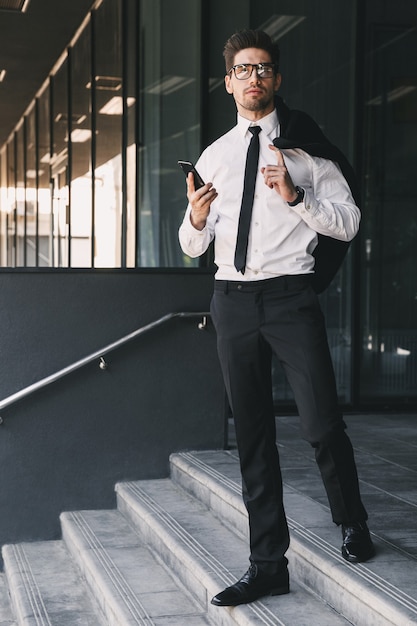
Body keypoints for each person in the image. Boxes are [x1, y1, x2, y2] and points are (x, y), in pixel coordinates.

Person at [178, 29, 374, 607]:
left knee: (321, 424)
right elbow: (194, 246)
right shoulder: (214, 154)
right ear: (229, 83)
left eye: (263, 69)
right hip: (232, 301)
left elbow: (349, 222)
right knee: (253, 438)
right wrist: (193, 218)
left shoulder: (306, 150)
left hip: (290, 299)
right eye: (243, 69)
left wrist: (296, 198)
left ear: (277, 79)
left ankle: (352, 521)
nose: (254, 78)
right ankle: (268, 563)